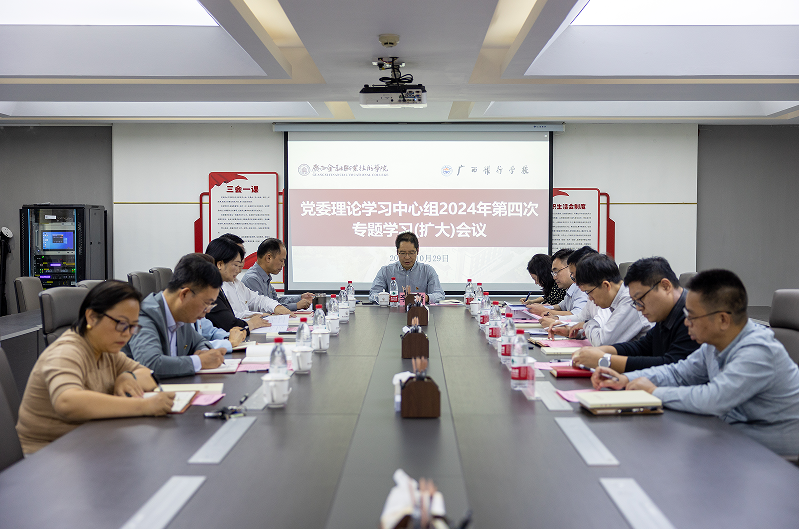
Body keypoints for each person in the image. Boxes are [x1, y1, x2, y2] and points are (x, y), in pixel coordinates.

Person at [592, 269, 799, 457]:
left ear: (723, 320)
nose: (686, 322)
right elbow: (678, 373)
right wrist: (627, 379)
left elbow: (714, 398)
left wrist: (654, 392)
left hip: (772, 455)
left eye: (692, 316)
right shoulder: (713, 345)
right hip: (732, 434)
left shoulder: (757, 350)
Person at [16, 281, 175, 454]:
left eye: (132, 327)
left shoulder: (106, 350)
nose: (127, 334)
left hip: (87, 444)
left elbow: (148, 376)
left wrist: (128, 376)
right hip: (47, 454)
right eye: (122, 324)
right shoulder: (66, 351)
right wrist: (144, 406)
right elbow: (67, 401)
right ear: (92, 317)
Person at [571, 257, 698, 371]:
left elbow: (672, 366)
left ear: (665, 286)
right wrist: (602, 351)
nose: (637, 308)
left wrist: (605, 361)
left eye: (640, 299)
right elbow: (643, 347)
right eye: (635, 302)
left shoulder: (692, 316)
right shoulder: (665, 313)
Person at [124, 253, 227, 378]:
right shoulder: (143, 316)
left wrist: (204, 352)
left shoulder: (180, 317)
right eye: (206, 303)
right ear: (184, 294)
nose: (208, 311)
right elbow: (150, 364)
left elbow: (200, 341)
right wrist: (199, 361)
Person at [549, 253, 651, 346]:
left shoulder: (629, 301)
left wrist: (587, 324)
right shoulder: (616, 300)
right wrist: (574, 331)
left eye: (589, 292)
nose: (590, 299)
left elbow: (602, 342)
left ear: (606, 286)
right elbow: (605, 331)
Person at [205, 237, 286, 332]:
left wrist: (275, 306)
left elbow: (256, 299)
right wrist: (251, 321)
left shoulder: (235, 283)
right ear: (220, 264)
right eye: (235, 265)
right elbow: (229, 320)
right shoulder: (211, 289)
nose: (238, 270)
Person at [369, 232, 445, 304]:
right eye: (403, 253)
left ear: (417, 251)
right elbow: (373, 295)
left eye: (411, 253)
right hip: (393, 311)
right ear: (397, 252)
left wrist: (427, 298)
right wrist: (383, 297)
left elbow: (440, 295)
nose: (407, 257)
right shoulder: (385, 271)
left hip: (419, 311)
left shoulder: (427, 271)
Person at [242, 238, 315, 311]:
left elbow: (276, 302)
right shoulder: (252, 279)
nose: (283, 265)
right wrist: (296, 306)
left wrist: (300, 298)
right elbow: (265, 309)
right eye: (281, 260)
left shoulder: (265, 277)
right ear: (268, 258)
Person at [527, 248, 589, 318]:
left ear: (571, 268)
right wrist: (548, 307)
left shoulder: (582, 289)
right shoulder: (570, 289)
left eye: (556, 272)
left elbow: (577, 315)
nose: (554, 277)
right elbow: (561, 306)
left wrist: (545, 310)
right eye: (553, 273)